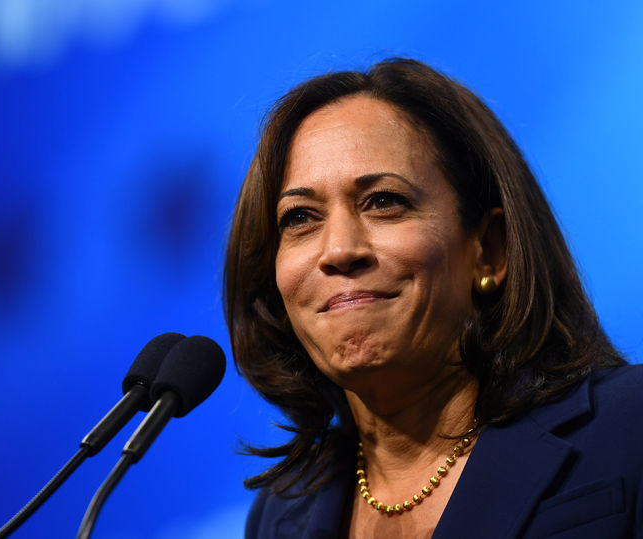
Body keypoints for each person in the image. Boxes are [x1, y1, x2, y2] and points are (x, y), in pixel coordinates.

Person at [223, 57, 643, 538]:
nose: (339, 250)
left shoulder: (630, 427)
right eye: (300, 217)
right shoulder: (281, 513)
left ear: (489, 249)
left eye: (383, 201)